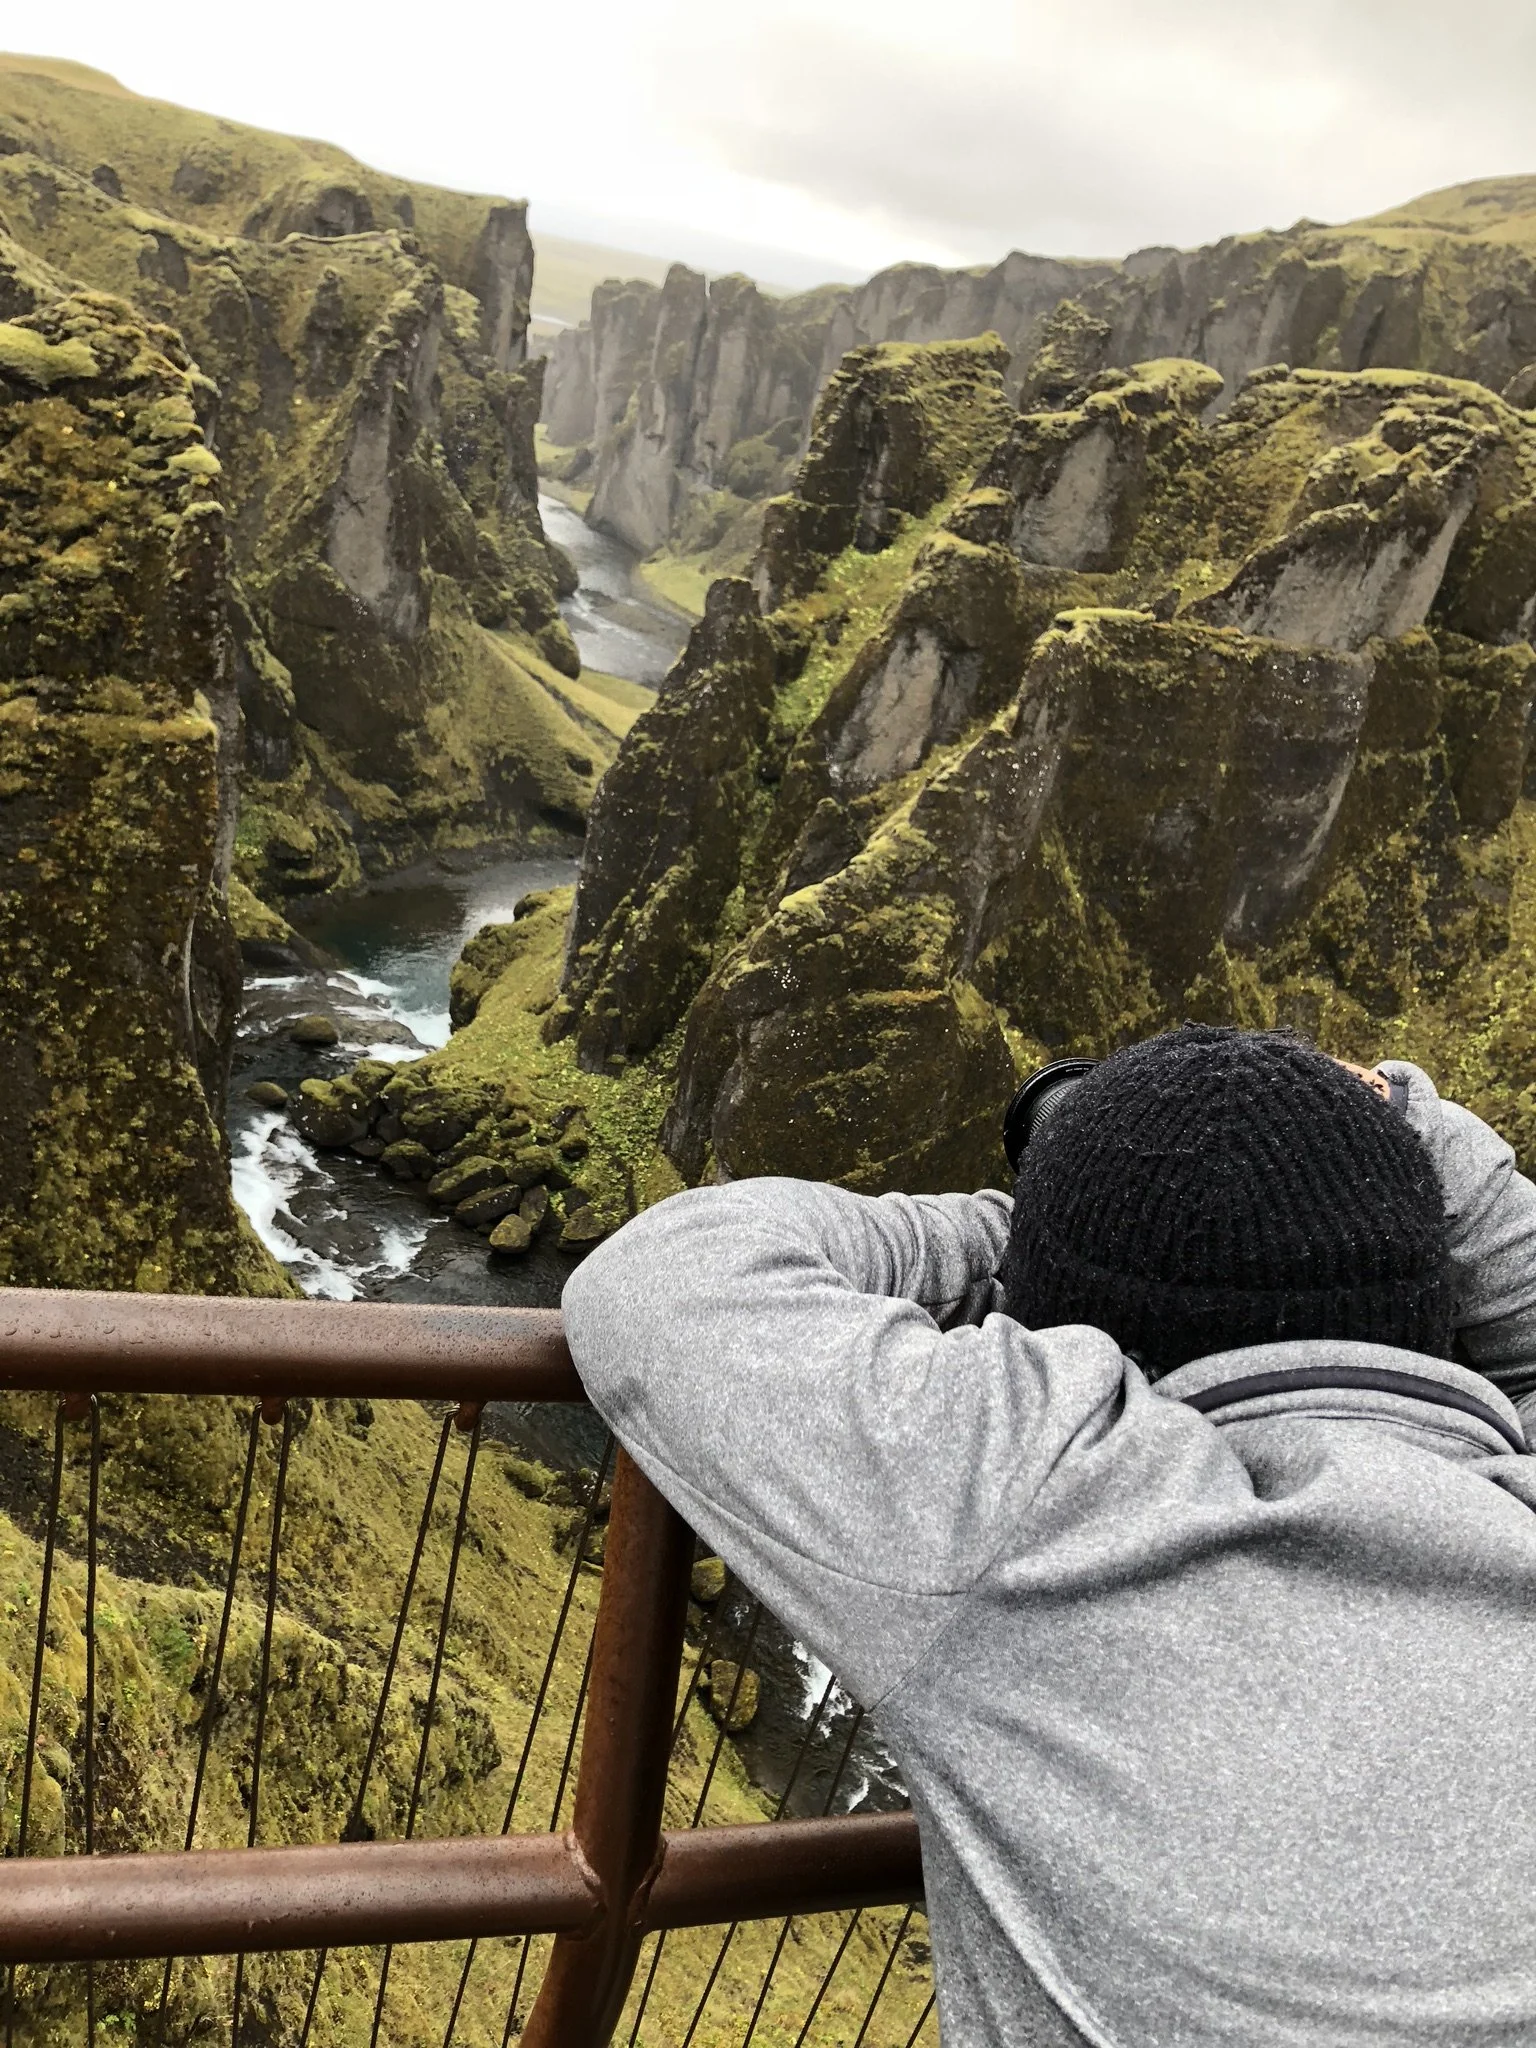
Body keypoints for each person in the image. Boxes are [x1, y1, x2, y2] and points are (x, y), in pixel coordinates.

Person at [562, 1025, 1536, 2047]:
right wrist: (1400, 1120)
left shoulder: (1046, 1511)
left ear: (1075, 1334)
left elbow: (663, 1271)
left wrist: (1028, 1228)